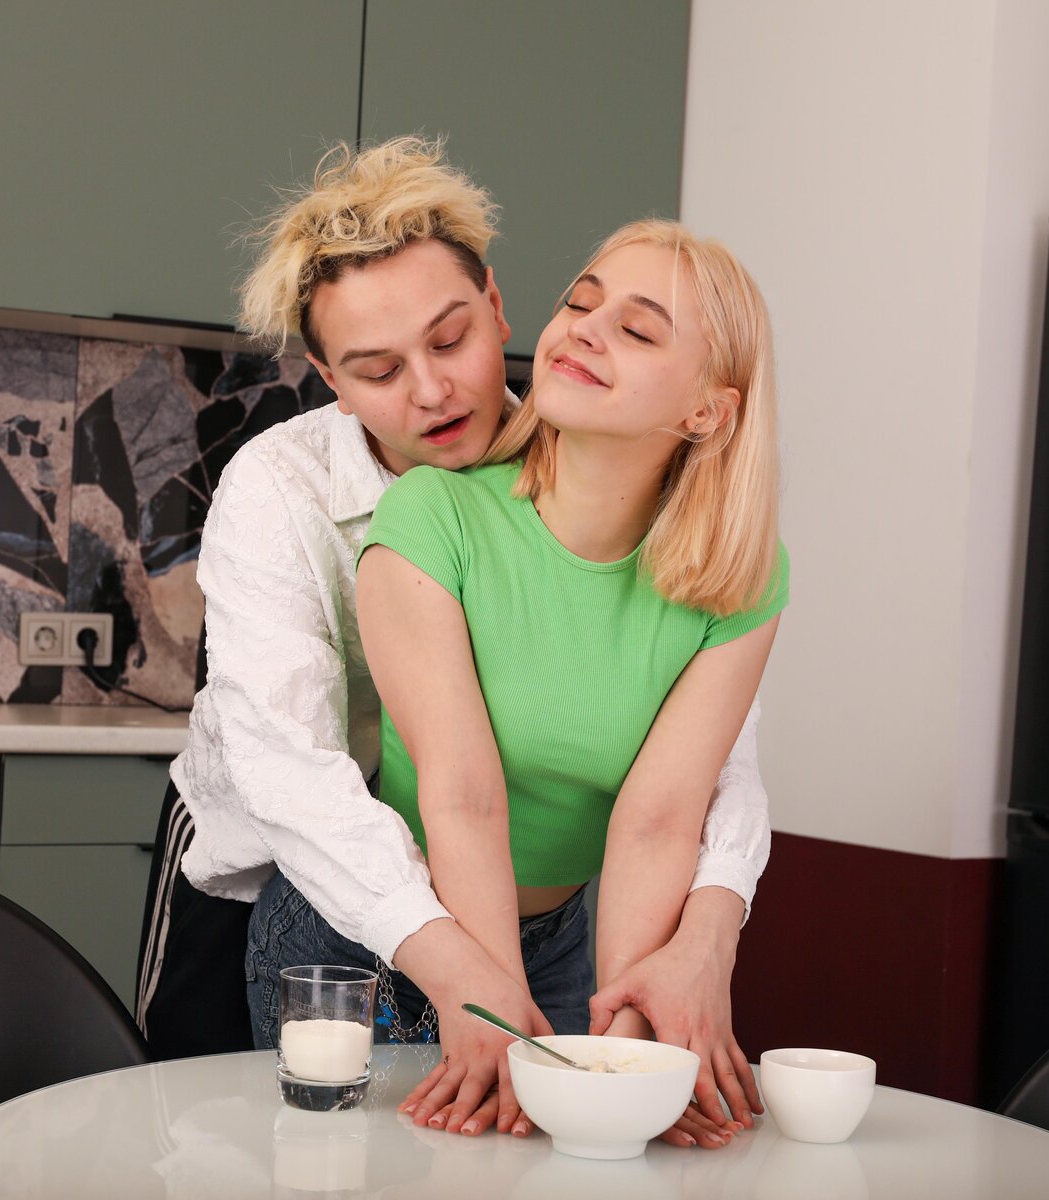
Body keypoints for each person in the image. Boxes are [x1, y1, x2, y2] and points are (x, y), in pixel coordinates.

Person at [138, 137, 769, 1147]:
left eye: (451, 339)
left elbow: (706, 771)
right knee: (197, 1136)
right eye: (379, 370)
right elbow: (291, 773)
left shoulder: (596, 465)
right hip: (274, 850)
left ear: (499, 308)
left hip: (510, 906)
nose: (431, 391)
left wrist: (709, 929)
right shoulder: (280, 487)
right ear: (330, 379)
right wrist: (459, 968)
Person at [357, 218, 786, 1139]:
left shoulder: (741, 579)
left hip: (559, 947)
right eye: (581, 304)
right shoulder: (433, 515)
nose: (584, 329)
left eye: (636, 329)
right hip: (384, 947)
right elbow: (463, 796)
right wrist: (491, 1009)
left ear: (707, 412)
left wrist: (628, 1050)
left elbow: (659, 821)